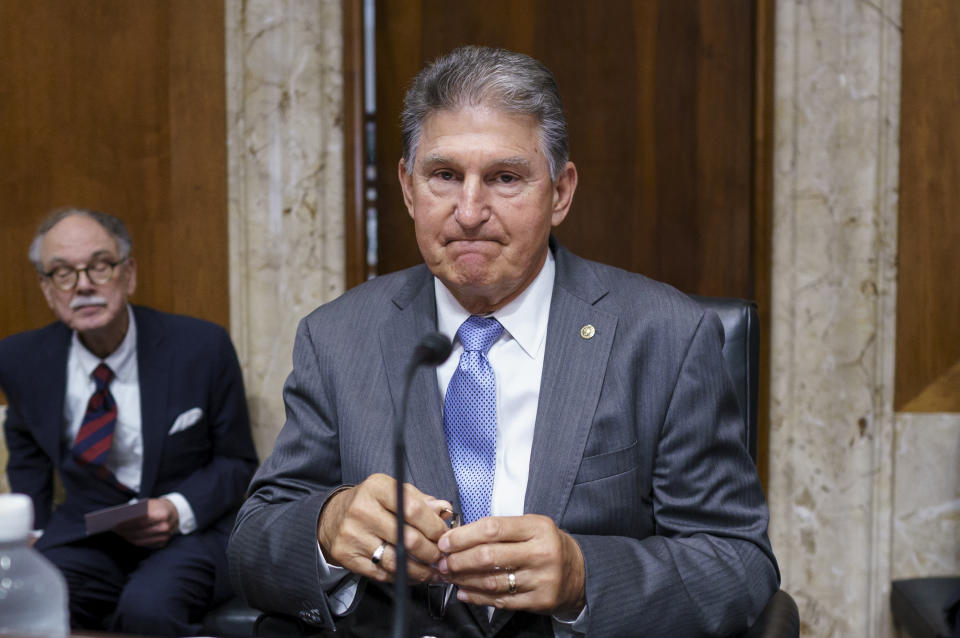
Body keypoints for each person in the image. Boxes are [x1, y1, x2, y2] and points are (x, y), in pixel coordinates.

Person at [229, 46, 779, 636]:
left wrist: (583, 576)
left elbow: (738, 563)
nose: (469, 211)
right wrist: (327, 525)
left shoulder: (664, 335)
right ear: (409, 189)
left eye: (505, 178)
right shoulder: (338, 336)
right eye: (444, 176)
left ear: (560, 192)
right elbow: (254, 541)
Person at [0, 208, 259, 636]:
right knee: (28, 596)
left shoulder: (201, 347)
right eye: (63, 273)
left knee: (149, 609)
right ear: (48, 290)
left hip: (191, 533)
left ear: (129, 273)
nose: (83, 285)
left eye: (99, 266)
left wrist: (176, 509)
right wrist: (32, 533)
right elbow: (27, 455)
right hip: (86, 536)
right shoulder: (20, 360)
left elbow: (236, 461)